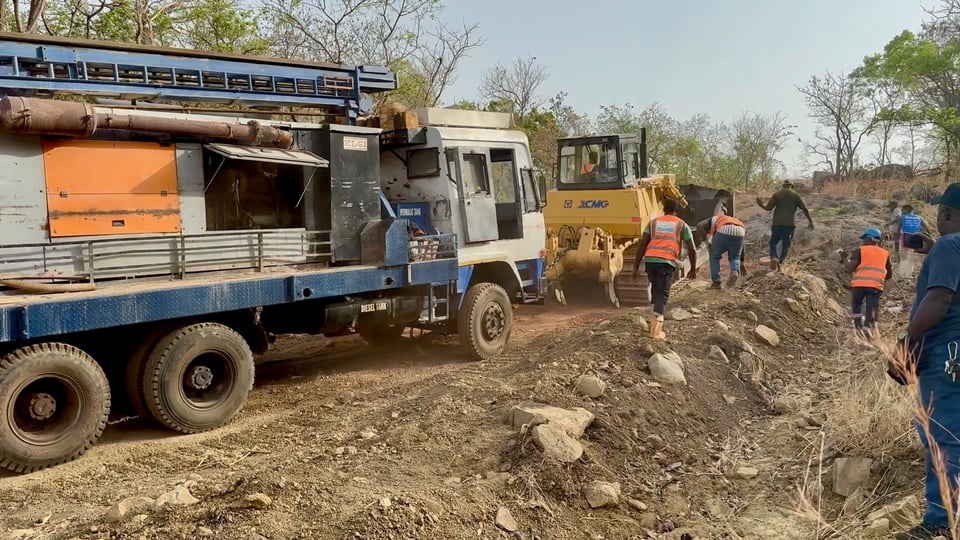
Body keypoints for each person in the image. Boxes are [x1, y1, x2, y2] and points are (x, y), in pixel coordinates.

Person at [893, 183, 960, 540]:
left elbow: (938, 300)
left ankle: (940, 522)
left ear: (946, 213)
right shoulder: (950, 247)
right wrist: (933, 249)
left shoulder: (951, 244)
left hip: (946, 352)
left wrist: (906, 341)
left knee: (942, 435)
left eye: (940, 213)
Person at [632, 198, 697, 339]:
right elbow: (692, 249)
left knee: (656, 290)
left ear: (663, 210)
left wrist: (636, 267)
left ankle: (652, 322)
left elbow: (642, 244)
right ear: (676, 211)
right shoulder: (682, 225)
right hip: (666, 262)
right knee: (663, 293)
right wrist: (692, 268)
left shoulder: (653, 223)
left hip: (650, 261)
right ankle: (655, 332)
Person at [839, 227, 892, 338]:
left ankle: (858, 327)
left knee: (857, 305)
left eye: (864, 239)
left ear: (869, 239)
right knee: (872, 307)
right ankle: (868, 329)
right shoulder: (885, 253)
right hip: (875, 285)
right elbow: (889, 275)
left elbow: (849, 268)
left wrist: (844, 258)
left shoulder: (860, 250)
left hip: (859, 285)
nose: (863, 241)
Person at [756, 180, 815, 271]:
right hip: (789, 225)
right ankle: (780, 262)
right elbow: (805, 209)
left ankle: (774, 257)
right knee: (786, 245)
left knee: (773, 243)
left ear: (783, 186)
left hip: (777, 224)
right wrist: (810, 221)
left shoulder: (777, 194)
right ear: (791, 186)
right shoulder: (795, 195)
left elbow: (768, 208)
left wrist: (761, 205)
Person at [696, 211, 746, 289]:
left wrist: (706, 242)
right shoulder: (729, 219)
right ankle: (735, 271)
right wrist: (742, 262)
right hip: (741, 231)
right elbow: (742, 245)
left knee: (714, 255)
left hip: (724, 229)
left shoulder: (713, 219)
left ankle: (716, 282)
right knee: (735, 257)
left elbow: (699, 226)